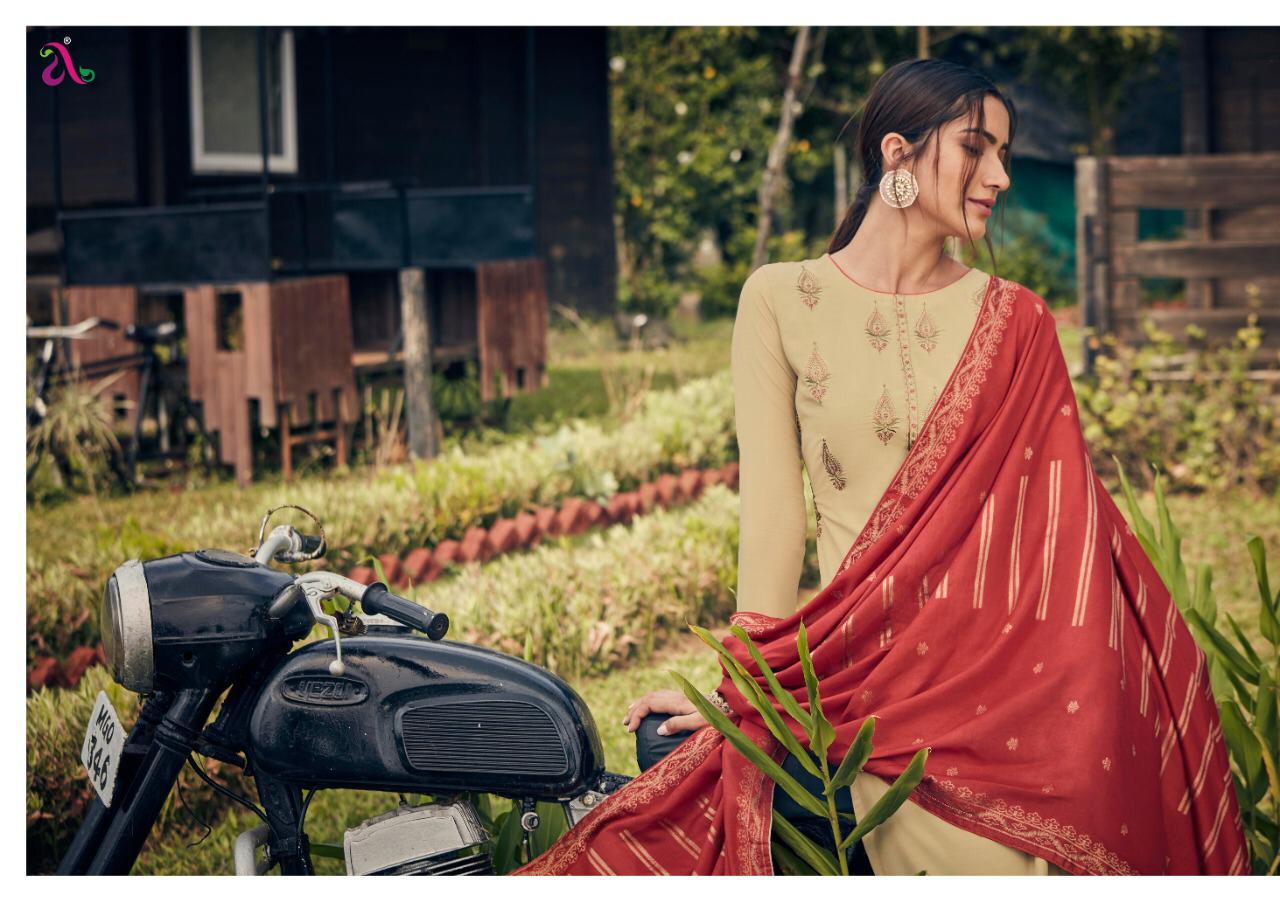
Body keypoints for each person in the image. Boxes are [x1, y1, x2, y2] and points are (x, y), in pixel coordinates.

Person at [516, 57, 1247, 877]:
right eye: (975, 148)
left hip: (1004, 679)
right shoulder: (779, 299)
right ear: (897, 154)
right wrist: (741, 692)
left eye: (1004, 154)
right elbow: (773, 518)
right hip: (857, 677)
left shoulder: (1018, 321)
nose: (1001, 177)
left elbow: (1056, 543)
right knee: (675, 767)